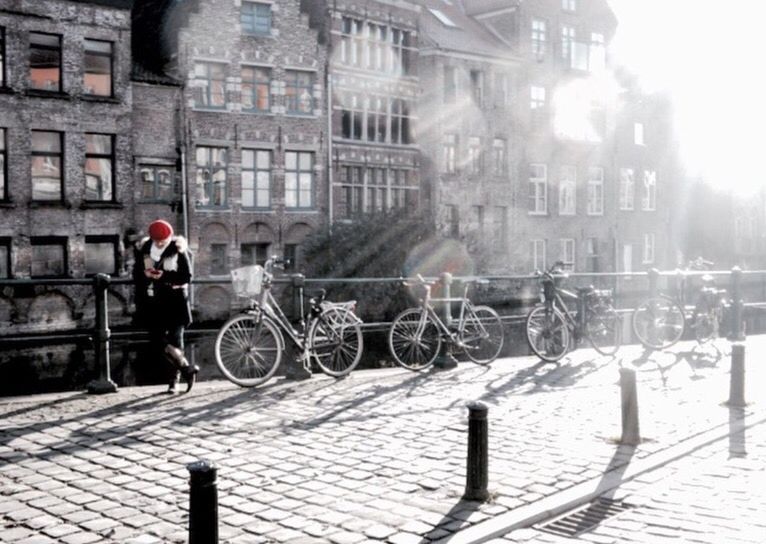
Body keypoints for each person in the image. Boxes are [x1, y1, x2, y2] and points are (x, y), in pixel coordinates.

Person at [133, 219, 198, 393]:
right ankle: (186, 367)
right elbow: (136, 274)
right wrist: (145, 274)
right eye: (157, 241)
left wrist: (163, 276)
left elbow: (187, 276)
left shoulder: (178, 249)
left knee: (176, 340)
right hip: (153, 303)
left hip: (175, 302)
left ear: (170, 237)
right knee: (157, 340)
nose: (160, 243)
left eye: (163, 240)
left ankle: (173, 381)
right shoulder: (146, 249)